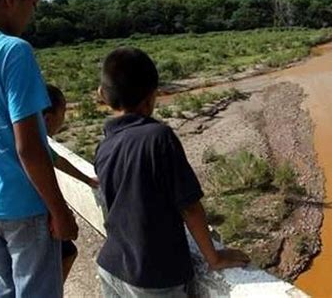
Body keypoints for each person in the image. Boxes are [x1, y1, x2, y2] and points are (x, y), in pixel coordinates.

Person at [95, 47, 250, 297]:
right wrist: (214, 257)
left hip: (111, 265)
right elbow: (189, 206)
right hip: (152, 277)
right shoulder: (158, 137)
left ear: (104, 95)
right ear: (151, 97)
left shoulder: (105, 145)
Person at [0, 0, 77, 297]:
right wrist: (60, 210)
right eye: (33, 3)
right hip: (23, 205)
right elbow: (30, 147)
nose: (32, 14)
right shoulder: (13, 51)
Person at [43, 84, 99, 282]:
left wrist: (87, 180)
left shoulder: (24, 135)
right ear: (49, 117)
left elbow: (58, 161)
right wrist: (60, 213)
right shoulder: (35, 143)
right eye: (63, 112)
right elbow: (57, 162)